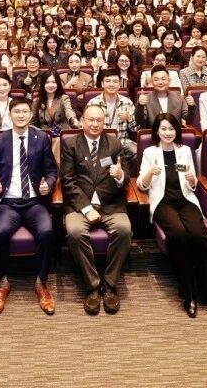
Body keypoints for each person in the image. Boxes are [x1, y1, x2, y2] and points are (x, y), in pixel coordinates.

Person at [137, 113, 207, 318]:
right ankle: (189, 293)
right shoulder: (150, 152)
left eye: (171, 129)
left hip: (186, 200)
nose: (168, 133)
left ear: (177, 131)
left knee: (199, 235)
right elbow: (141, 185)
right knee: (179, 235)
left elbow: (192, 184)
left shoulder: (184, 150)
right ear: (157, 131)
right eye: (163, 129)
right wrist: (150, 173)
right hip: (163, 203)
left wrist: (192, 180)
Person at [0, 98, 58, 318]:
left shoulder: (41, 138)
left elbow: (52, 171)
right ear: (10, 115)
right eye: (17, 111)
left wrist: (48, 185)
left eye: (25, 111)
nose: (21, 115)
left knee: (46, 231)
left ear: (31, 115)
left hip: (34, 202)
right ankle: (1, 282)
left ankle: (41, 281)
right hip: (9, 203)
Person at [61, 105, 132, 315]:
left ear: (104, 122)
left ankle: (109, 283)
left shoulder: (115, 143)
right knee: (74, 231)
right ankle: (92, 285)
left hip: (110, 203)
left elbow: (126, 177)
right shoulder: (71, 144)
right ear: (82, 121)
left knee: (124, 229)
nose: (94, 124)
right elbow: (67, 181)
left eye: (99, 120)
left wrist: (120, 176)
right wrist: (85, 208)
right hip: (79, 204)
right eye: (90, 120)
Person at [87, 68, 138, 168]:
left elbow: (135, 129)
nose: (111, 84)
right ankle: (111, 168)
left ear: (120, 84)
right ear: (102, 84)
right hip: (101, 142)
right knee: (104, 160)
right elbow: (86, 127)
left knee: (137, 153)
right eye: (108, 81)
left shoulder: (127, 102)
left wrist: (129, 118)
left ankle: (124, 174)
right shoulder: (93, 103)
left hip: (122, 141)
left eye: (115, 81)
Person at [31, 70, 81, 161]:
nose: (51, 85)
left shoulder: (64, 98)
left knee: (57, 141)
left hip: (61, 135)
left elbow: (69, 111)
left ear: (58, 84)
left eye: (54, 82)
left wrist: (73, 120)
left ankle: (55, 168)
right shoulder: (36, 102)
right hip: (45, 136)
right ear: (43, 84)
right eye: (47, 82)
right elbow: (32, 123)